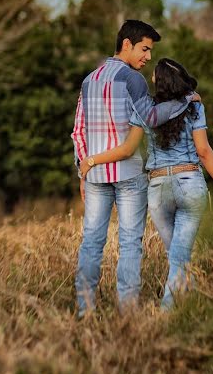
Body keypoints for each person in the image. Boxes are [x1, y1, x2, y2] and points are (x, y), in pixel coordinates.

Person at [80, 58, 213, 309]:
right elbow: (204, 151)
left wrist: (91, 160)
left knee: (177, 256)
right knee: (180, 257)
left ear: (158, 82)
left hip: (158, 188)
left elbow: (127, 149)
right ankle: (166, 314)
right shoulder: (194, 107)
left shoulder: (144, 112)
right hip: (189, 182)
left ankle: (191, 305)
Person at [71, 20, 196, 316]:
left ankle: (84, 311)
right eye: (145, 49)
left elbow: (78, 131)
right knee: (129, 244)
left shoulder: (89, 80)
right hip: (127, 174)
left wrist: (83, 168)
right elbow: (151, 117)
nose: (148, 57)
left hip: (96, 176)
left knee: (91, 242)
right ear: (126, 44)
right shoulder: (132, 79)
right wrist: (185, 100)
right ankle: (128, 314)